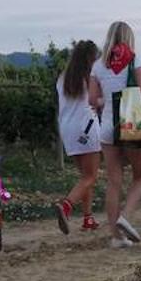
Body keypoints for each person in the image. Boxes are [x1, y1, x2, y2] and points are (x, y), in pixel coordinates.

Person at [89, 21, 141, 248]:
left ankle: (116, 237)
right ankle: (125, 217)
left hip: (107, 125)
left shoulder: (97, 65)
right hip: (131, 123)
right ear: (128, 37)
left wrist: (109, 100)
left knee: (114, 182)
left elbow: (92, 100)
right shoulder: (134, 58)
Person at [55, 39, 102, 234]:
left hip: (67, 129)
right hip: (87, 126)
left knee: (84, 177)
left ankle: (88, 218)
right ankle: (67, 205)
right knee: (91, 177)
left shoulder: (63, 78)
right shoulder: (90, 77)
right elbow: (96, 101)